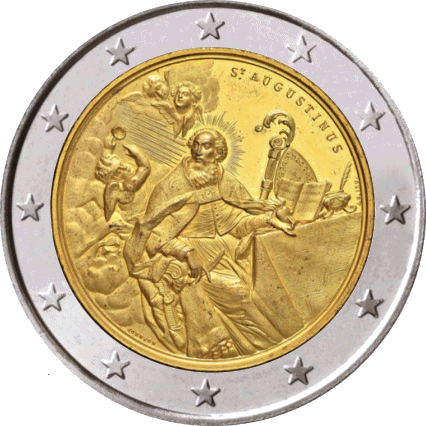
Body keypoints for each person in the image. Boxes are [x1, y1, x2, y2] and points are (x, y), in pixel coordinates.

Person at [124, 128, 301, 359]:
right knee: (241, 297)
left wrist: (269, 220)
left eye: (206, 146)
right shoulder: (172, 186)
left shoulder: (223, 180)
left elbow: (236, 224)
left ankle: (274, 351)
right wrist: (187, 252)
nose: (198, 152)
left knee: (262, 296)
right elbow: (155, 237)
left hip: (226, 253)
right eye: (195, 145)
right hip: (192, 258)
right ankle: (263, 350)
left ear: (217, 153)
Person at [95, 130, 151, 221]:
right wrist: (137, 154)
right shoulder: (128, 186)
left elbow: (110, 167)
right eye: (119, 169)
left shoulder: (119, 178)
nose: (124, 167)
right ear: (116, 178)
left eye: (121, 163)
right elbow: (146, 168)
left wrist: (108, 150)